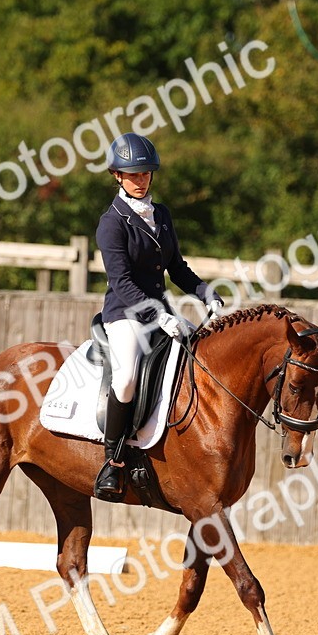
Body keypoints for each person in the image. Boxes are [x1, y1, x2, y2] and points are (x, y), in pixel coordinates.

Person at [93, 132, 223, 499]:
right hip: (125, 313)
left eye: (145, 174)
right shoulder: (111, 223)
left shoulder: (161, 214)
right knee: (128, 378)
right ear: (117, 176)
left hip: (163, 313)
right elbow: (121, 281)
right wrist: (156, 315)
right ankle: (113, 459)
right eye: (133, 175)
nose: (140, 180)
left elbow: (176, 267)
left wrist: (204, 292)